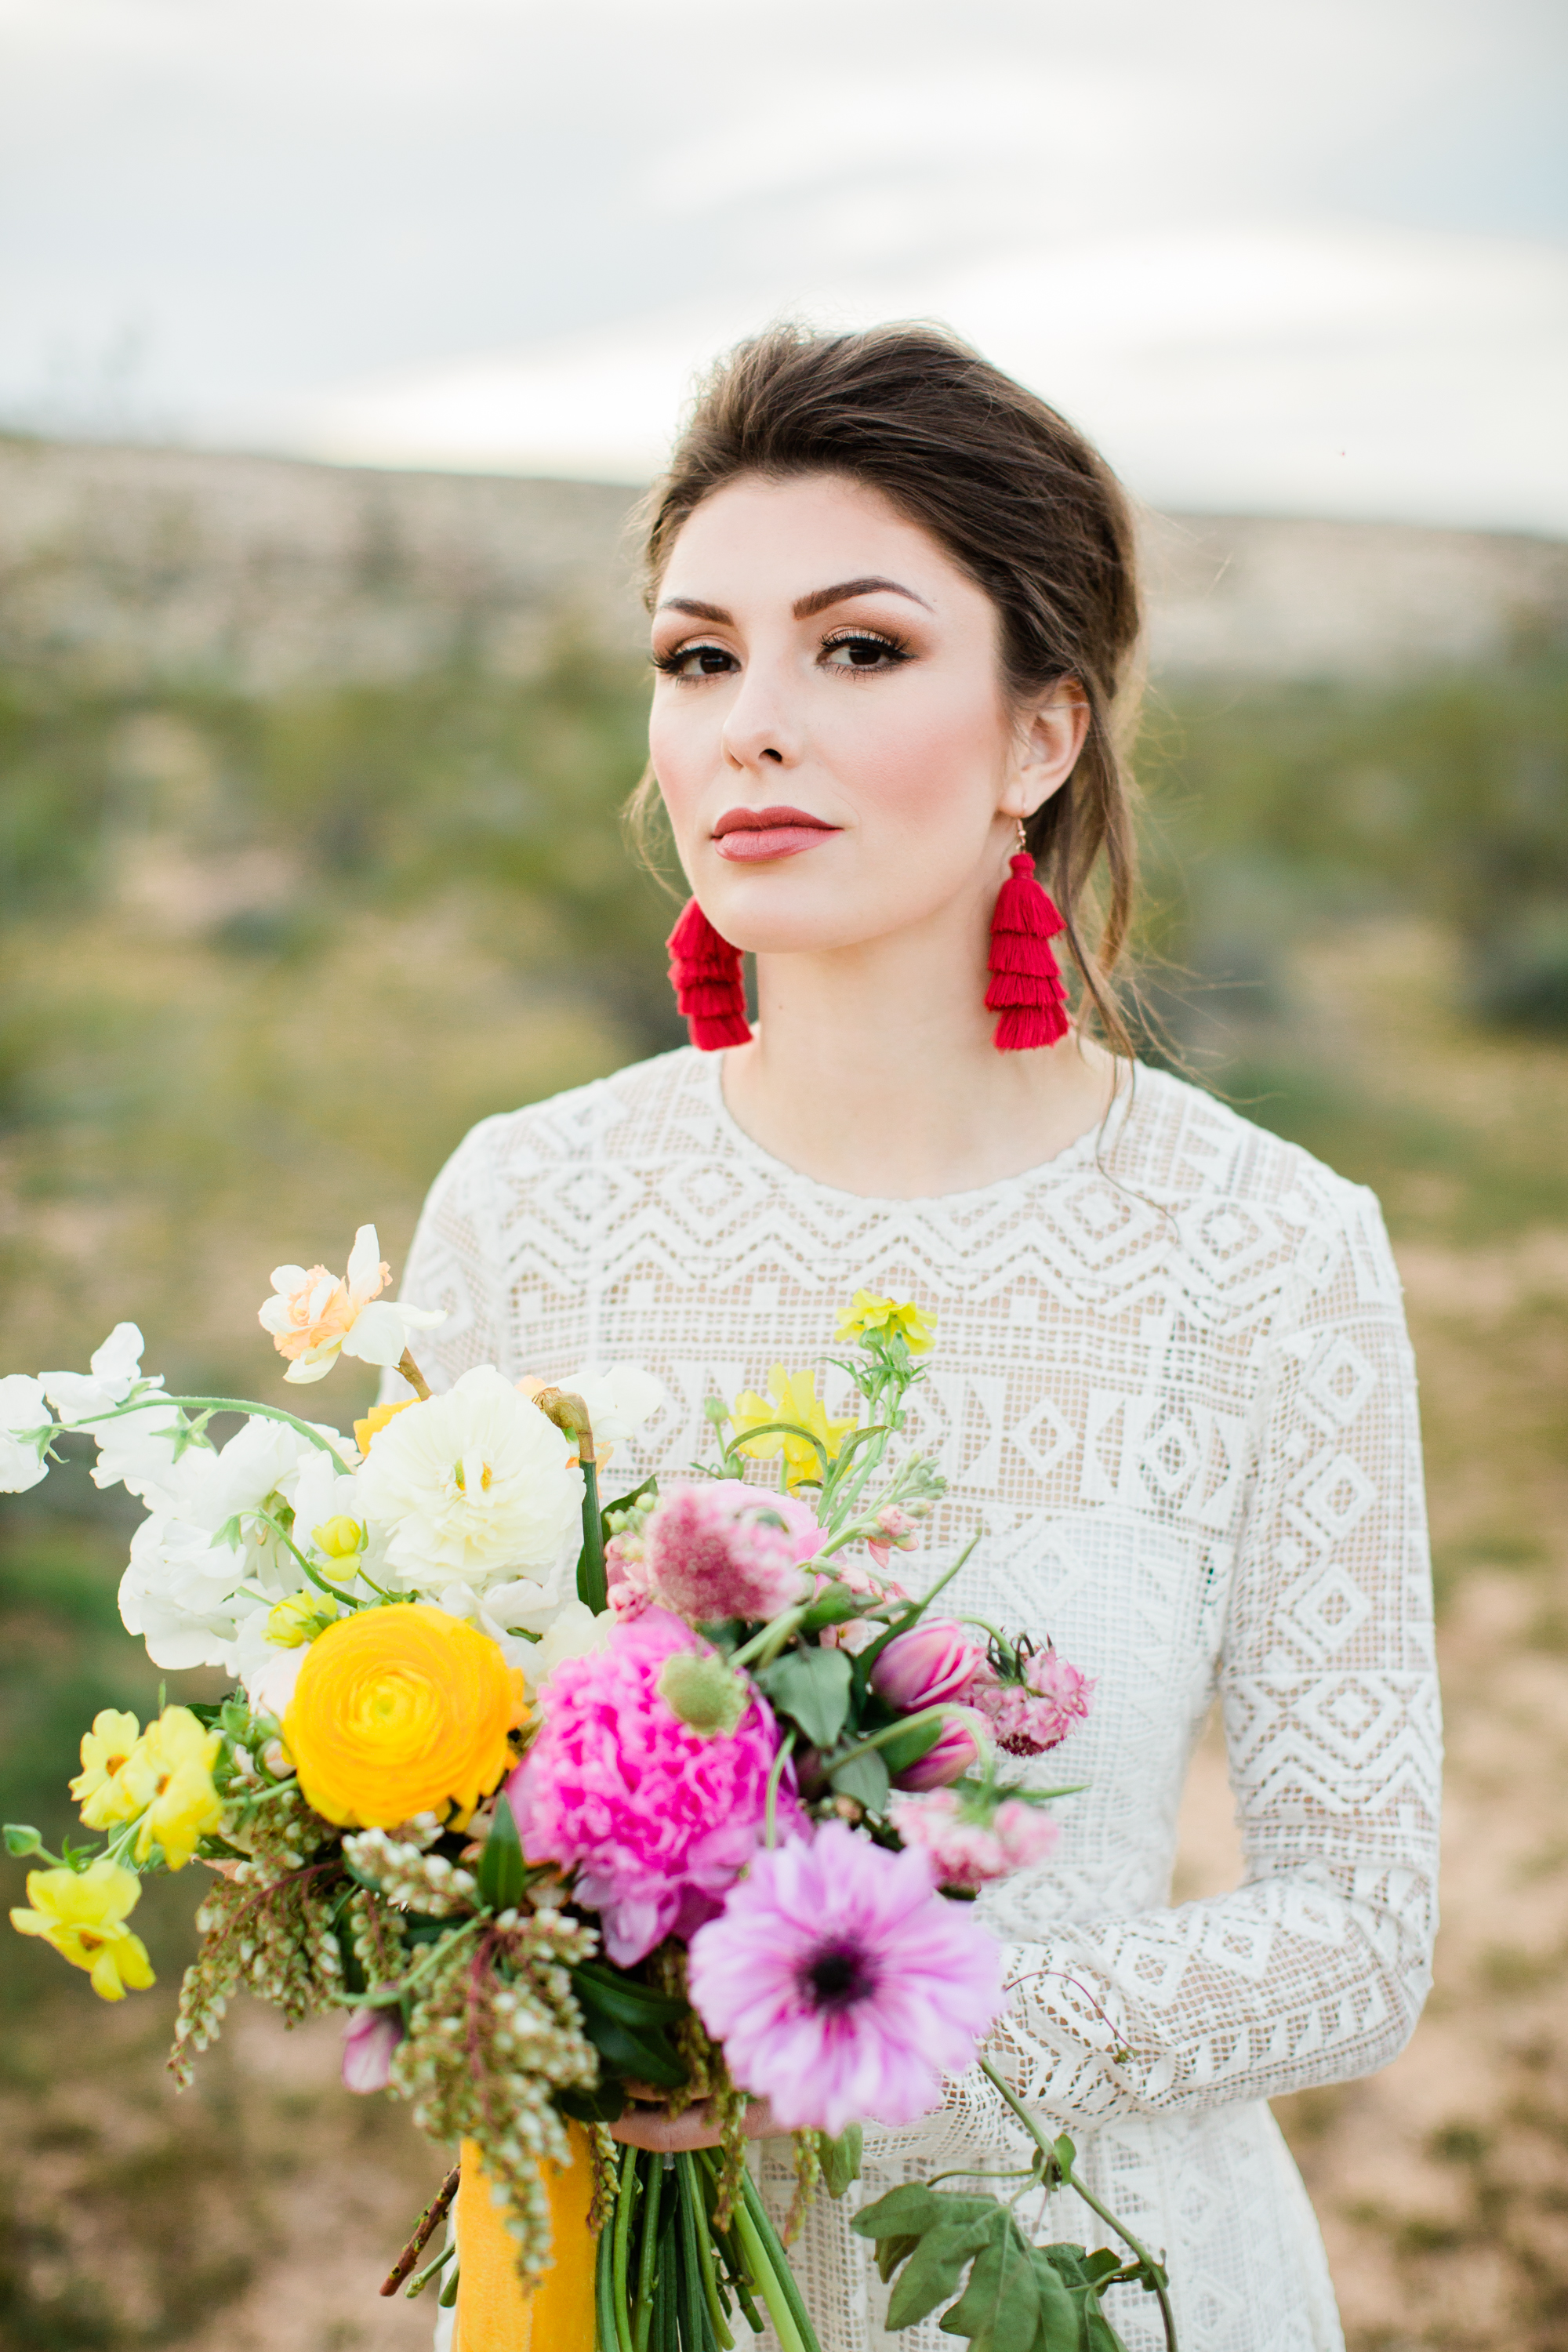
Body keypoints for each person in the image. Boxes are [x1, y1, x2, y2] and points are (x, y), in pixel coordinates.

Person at [401, 324, 1440, 2352]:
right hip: (618, 2295)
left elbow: (1362, 1942)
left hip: (1104, 2287)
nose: (748, 727)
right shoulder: (523, 1212)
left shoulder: (1270, 1253)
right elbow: (436, 1822)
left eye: (856, 650)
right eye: (699, 658)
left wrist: (846, 2017)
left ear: (1043, 735)